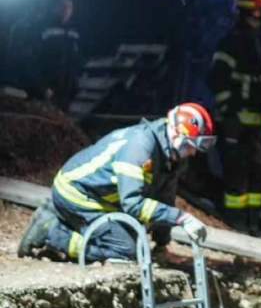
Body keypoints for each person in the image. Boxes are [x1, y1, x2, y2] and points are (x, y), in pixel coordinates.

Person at [18, 103, 212, 262]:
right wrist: (181, 218)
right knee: (125, 251)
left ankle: (57, 215)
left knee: (137, 243)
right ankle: (52, 232)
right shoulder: (140, 147)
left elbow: (164, 197)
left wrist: (162, 245)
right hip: (77, 193)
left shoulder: (169, 156)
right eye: (190, 146)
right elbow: (133, 204)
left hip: (94, 194)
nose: (193, 152)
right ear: (176, 135)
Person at [206, 0, 261, 236]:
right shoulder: (232, 42)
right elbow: (216, 78)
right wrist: (229, 113)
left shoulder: (258, 44)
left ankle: (252, 225)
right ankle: (234, 225)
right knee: (236, 178)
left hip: (256, 127)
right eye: (260, 10)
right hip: (236, 125)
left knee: (256, 177)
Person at [36, 0, 81, 111]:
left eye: (69, 7)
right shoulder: (45, 30)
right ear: (55, 8)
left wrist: (75, 86)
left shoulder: (73, 33)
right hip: (49, 89)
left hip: (67, 90)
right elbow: (36, 60)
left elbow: (75, 61)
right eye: (62, 6)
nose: (66, 10)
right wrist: (43, 87)